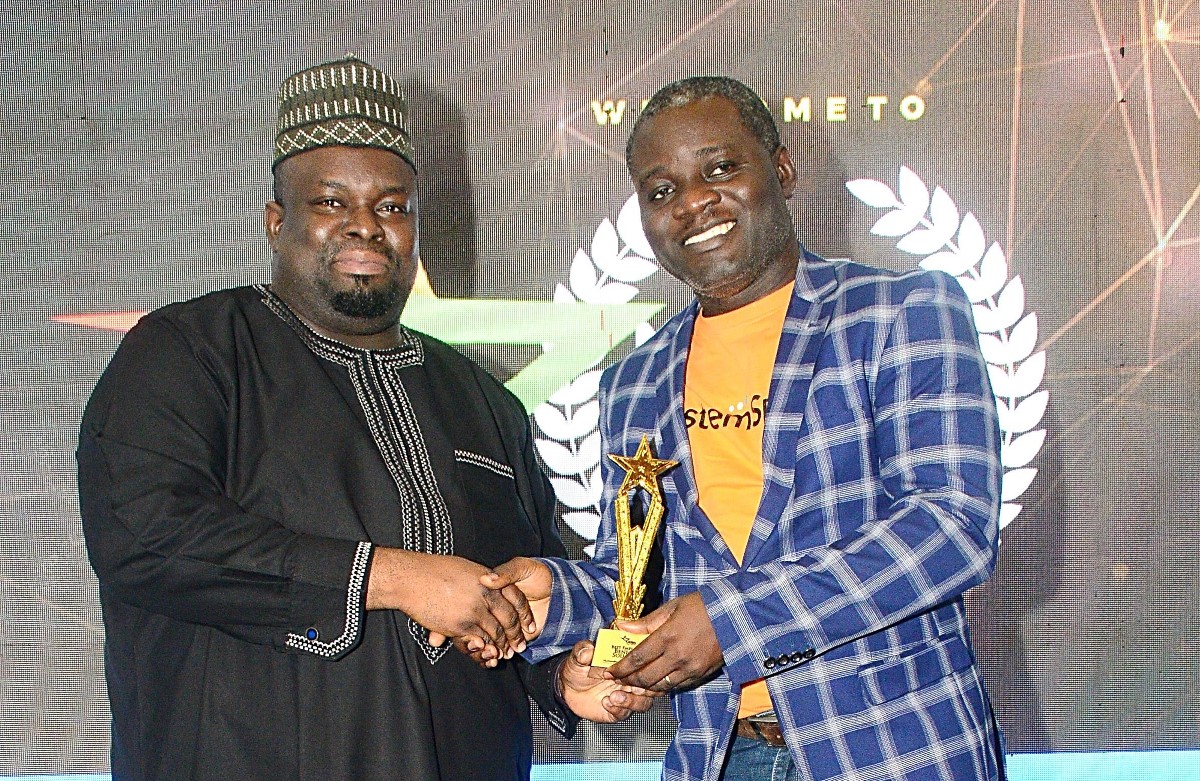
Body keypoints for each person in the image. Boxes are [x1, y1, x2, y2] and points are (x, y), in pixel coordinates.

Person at [76, 56, 648, 781]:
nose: (365, 227)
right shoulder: (191, 352)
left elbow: (516, 594)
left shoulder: (482, 401)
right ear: (276, 223)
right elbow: (144, 534)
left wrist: (561, 675)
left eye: (392, 206)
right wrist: (392, 578)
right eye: (330, 202)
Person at [484, 76, 1008, 781]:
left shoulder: (901, 312)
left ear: (782, 171)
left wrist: (729, 623)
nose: (692, 202)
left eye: (721, 168)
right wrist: (558, 597)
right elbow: (637, 580)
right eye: (661, 190)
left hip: (894, 750)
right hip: (721, 756)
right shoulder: (633, 383)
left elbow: (948, 529)